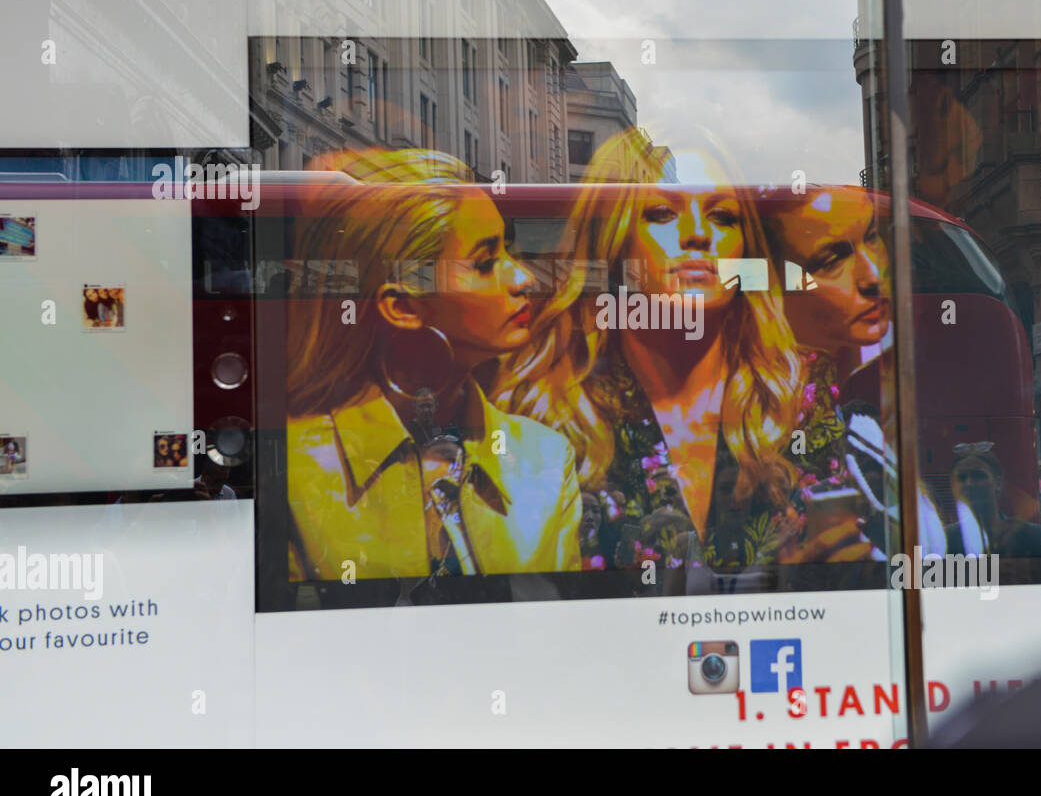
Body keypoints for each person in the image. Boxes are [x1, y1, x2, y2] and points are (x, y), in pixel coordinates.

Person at [497, 140, 861, 572]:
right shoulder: (545, 406)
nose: (697, 234)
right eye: (663, 214)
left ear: (745, 249)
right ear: (614, 242)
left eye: (723, 217)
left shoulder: (796, 388)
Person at [285, 149, 583, 583]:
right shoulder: (293, 468)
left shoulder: (547, 460)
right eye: (486, 262)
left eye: (509, 251)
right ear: (403, 306)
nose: (524, 279)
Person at [759, 183, 948, 558]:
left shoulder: (863, 427)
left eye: (872, 238)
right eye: (832, 260)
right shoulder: (759, 426)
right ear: (779, 285)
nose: (873, 276)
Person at [945, 445, 1041, 582]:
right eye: (962, 478)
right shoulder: (945, 540)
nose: (969, 483)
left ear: (998, 482)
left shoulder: (1030, 536)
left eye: (978, 476)